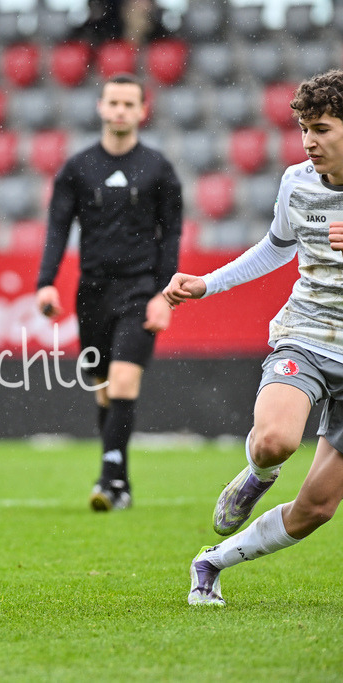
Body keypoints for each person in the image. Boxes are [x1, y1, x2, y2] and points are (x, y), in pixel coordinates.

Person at [166, 69, 343, 607]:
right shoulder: (296, 183)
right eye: (304, 128)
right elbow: (276, 248)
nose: (309, 141)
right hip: (308, 334)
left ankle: (211, 562)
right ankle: (257, 474)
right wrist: (207, 284)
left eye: (323, 129)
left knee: (316, 509)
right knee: (275, 441)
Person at [35, 73, 182, 512]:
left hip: (140, 289)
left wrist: (164, 295)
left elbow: (172, 235)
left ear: (142, 110)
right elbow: (58, 228)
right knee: (102, 387)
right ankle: (121, 482)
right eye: (113, 102)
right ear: (101, 107)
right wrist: (45, 282)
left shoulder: (159, 168)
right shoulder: (77, 168)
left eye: (128, 104)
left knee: (123, 380)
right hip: (92, 292)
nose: (120, 110)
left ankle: (107, 479)